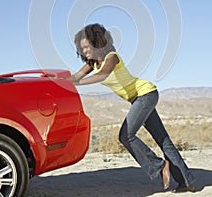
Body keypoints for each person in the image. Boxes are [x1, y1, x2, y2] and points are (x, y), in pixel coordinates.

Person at [68, 23, 195, 193]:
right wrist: (55, 79)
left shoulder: (111, 57)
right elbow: (75, 77)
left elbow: (102, 75)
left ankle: (159, 166)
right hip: (139, 98)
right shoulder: (93, 63)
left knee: (126, 135)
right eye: (81, 48)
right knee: (163, 140)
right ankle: (187, 182)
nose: (84, 51)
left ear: (97, 41)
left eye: (86, 46)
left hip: (145, 94)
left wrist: (78, 83)